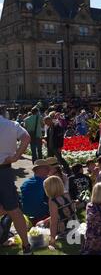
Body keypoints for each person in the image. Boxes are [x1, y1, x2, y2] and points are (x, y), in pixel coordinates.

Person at [0, 105, 32, 254]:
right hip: (4, 169)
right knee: (14, 209)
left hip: (4, 168)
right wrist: (16, 157)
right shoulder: (11, 125)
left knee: (12, 209)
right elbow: (26, 138)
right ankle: (26, 245)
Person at [43, 176, 77, 249]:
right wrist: (49, 219)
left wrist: (52, 239)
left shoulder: (53, 201)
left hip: (65, 231)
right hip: (75, 226)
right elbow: (65, 211)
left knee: (40, 224)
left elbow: (54, 222)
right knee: (46, 221)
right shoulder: (67, 194)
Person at [20, 159, 50, 225]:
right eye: (46, 168)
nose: (48, 170)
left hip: (25, 213)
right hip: (41, 213)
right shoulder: (46, 183)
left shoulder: (25, 183)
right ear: (39, 170)